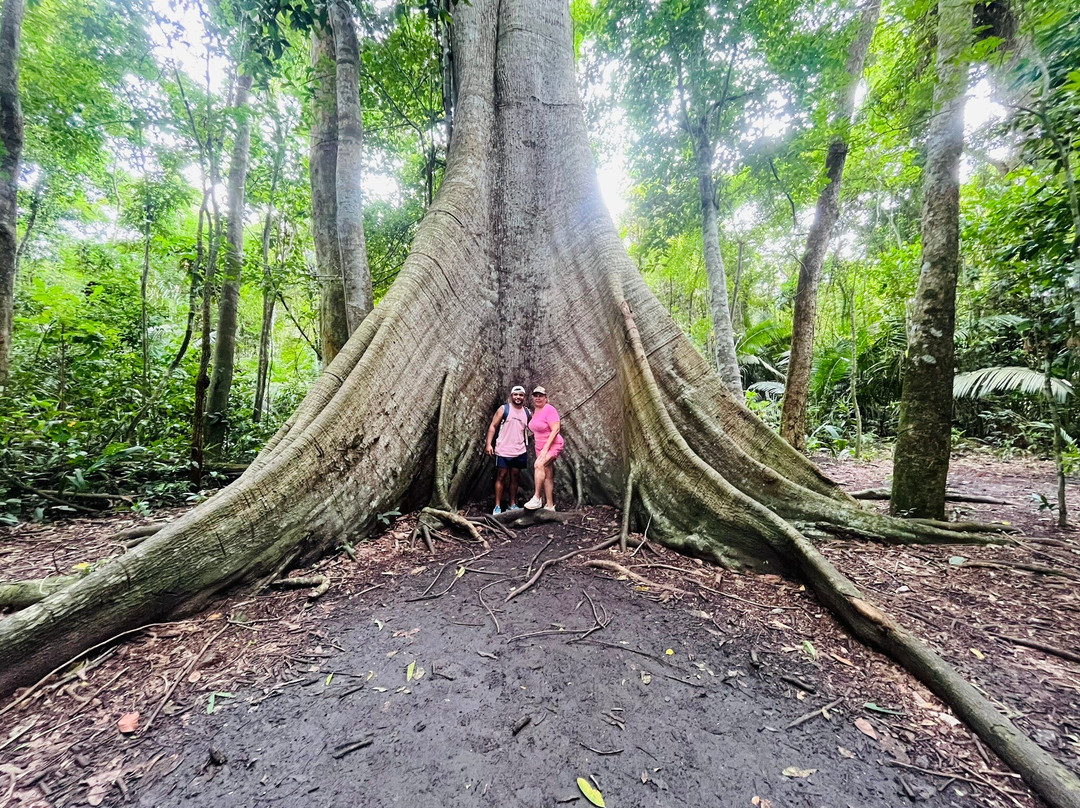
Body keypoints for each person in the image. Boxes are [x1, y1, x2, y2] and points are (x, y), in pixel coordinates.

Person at [485, 385, 531, 514]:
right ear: (511, 396)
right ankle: (498, 505)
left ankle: (512, 503)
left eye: (521, 395)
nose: (518, 397)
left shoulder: (527, 412)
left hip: (519, 450)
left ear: (524, 397)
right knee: (501, 476)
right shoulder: (504, 409)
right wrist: (489, 444)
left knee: (515, 477)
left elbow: (531, 430)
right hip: (503, 449)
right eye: (516, 394)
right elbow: (493, 426)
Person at [524, 386, 563, 510]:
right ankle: (550, 505)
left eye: (541, 395)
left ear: (546, 398)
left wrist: (546, 448)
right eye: (536, 395)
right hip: (539, 447)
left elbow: (556, 429)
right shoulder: (535, 411)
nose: (538, 398)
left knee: (538, 465)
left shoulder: (549, 409)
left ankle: (537, 498)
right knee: (547, 474)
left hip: (552, 445)